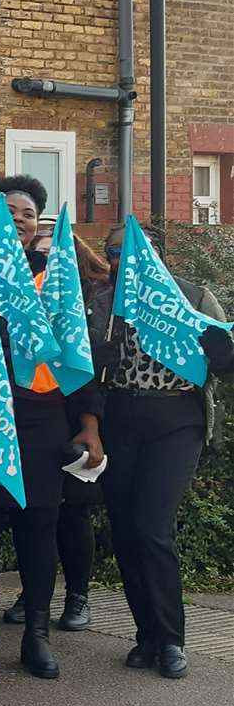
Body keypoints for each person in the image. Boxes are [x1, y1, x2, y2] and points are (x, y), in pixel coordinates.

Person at [0, 178, 103, 681]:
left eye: (26, 212)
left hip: (42, 418)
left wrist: (90, 425)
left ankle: (37, 637)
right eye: (6, 210)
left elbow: (79, 356)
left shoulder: (58, 280)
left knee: (39, 529)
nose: (17, 218)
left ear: (37, 222)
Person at [91, 224, 234, 679]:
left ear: (158, 255)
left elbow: (227, 369)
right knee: (127, 531)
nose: (123, 259)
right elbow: (82, 369)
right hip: (121, 420)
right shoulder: (102, 303)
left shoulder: (192, 297)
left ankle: (172, 639)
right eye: (114, 252)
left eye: (135, 250)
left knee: (153, 528)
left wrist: (221, 353)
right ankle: (146, 634)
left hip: (177, 421)